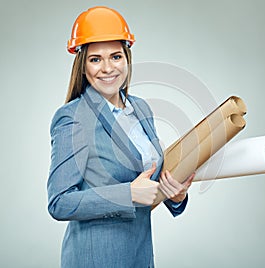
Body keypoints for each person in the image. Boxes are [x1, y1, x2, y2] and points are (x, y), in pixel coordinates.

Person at [47, 6, 194, 268]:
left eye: (115, 56)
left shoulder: (141, 108)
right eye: (95, 59)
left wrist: (175, 196)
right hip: (96, 259)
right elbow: (59, 203)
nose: (107, 68)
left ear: (127, 59)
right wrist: (127, 193)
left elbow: (148, 185)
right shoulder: (72, 117)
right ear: (82, 66)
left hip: (140, 256)